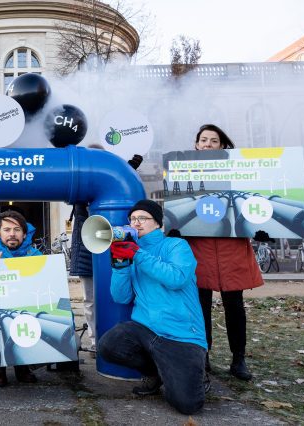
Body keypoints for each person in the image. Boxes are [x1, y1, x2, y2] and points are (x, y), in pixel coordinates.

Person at [97, 199, 206, 415]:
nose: (136, 223)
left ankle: (195, 374)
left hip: (181, 334)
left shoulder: (175, 246)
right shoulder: (133, 252)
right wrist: (120, 265)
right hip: (146, 329)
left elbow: (177, 278)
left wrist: (137, 254)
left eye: (142, 219)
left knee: (187, 405)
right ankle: (154, 372)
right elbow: (120, 297)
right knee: (108, 345)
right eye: (133, 219)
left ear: (157, 223)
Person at [184, 124, 263, 381]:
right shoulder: (183, 172)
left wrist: (260, 227)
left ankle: (238, 359)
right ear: (196, 145)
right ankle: (202, 356)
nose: (207, 144)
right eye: (203, 140)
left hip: (231, 248)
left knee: (234, 306)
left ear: (222, 146)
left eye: (213, 141)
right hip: (200, 249)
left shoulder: (238, 172)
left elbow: (250, 202)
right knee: (201, 307)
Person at [69, 151, 143, 349]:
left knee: (116, 295)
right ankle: (95, 341)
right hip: (87, 248)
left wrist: (128, 170)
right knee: (90, 300)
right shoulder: (80, 188)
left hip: (111, 247)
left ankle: (116, 340)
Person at [0, 210, 43, 387]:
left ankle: (23, 365)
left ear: (24, 233)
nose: (12, 234)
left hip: (24, 308)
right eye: (7, 230)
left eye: (17, 229)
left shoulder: (36, 256)